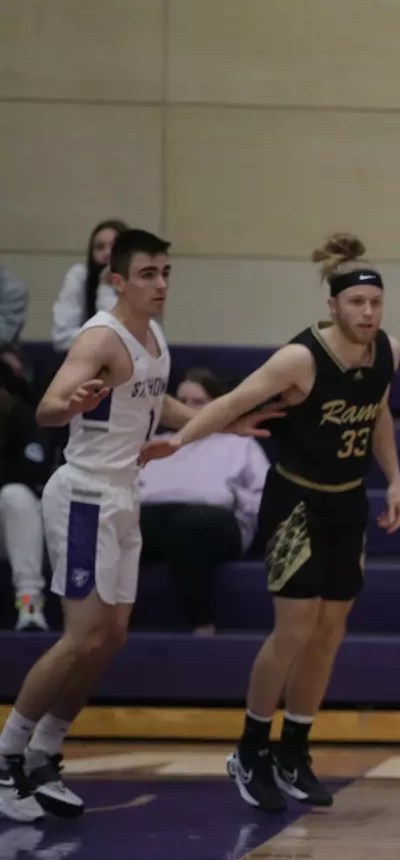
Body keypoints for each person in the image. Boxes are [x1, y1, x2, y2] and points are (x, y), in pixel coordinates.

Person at [0, 229, 275, 823]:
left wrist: (220, 422)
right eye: (149, 273)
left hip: (125, 495)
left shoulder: (154, 339)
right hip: (85, 495)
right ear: (118, 280)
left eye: (167, 273)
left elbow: (161, 407)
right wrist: (73, 404)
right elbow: (48, 405)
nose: (161, 284)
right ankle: (7, 758)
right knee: (80, 637)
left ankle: (46, 752)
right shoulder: (101, 335)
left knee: (112, 637)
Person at [143, 233, 400, 815]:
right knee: (294, 628)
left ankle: (295, 750)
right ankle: (251, 748)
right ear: (333, 306)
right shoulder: (301, 358)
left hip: (347, 504)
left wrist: (394, 479)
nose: (368, 313)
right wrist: (178, 440)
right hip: (295, 504)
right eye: (358, 304)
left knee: (331, 631)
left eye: (376, 304)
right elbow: (232, 402)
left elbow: (378, 412)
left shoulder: (388, 351)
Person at [136, 367, 270, 635]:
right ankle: (109, 625)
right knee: (114, 525)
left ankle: (202, 624)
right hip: (153, 516)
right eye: (181, 402)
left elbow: (265, 496)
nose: (187, 409)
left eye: (197, 402)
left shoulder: (238, 443)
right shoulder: (156, 442)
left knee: (191, 526)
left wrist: (232, 497)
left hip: (214, 521)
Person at [0, 354, 50, 630]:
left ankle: (30, 607)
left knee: (15, 495)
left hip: (15, 527)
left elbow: (33, 471)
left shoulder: (21, 417)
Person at [51, 219, 127, 354]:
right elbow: (61, 338)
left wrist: (106, 288)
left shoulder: (140, 285)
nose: (107, 253)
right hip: (78, 359)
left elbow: (124, 339)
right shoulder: (79, 275)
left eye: (114, 247)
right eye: (100, 247)